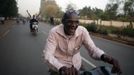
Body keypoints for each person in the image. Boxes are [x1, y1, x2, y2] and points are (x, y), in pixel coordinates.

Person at [43, 9, 122, 75]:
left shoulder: (82, 31)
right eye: (70, 22)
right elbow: (48, 55)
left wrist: (106, 57)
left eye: (76, 22)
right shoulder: (54, 32)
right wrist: (62, 68)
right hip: (59, 67)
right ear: (63, 22)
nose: (73, 25)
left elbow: (92, 49)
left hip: (77, 66)